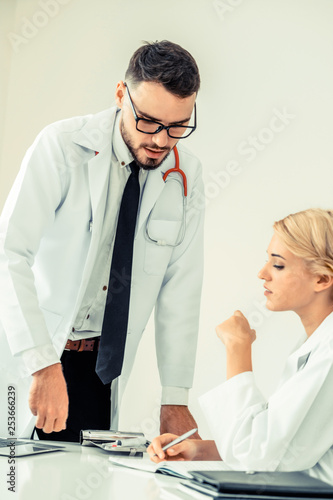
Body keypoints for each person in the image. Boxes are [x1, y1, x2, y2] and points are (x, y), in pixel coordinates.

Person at [0, 40, 204, 442]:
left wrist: (175, 397)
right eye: (148, 121)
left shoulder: (186, 176)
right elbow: (10, 253)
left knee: (83, 485)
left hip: (103, 368)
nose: (162, 141)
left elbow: (181, 287)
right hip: (35, 354)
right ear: (119, 96)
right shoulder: (62, 146)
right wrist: (42, 364)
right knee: (13, 478)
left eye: (178, 126)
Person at [148, 209, 333, 485]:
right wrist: (200, 450)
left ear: (322, 279)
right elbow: (281, 442)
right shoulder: (316, 343)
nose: (262, 274)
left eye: (278, 265)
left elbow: (262, 460)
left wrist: (237, 348)